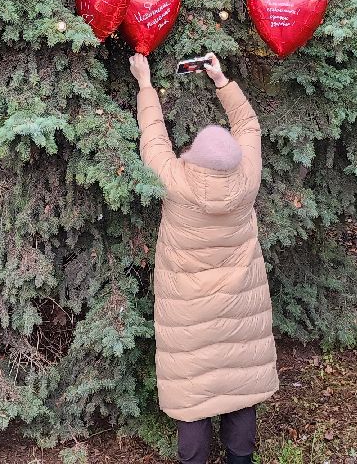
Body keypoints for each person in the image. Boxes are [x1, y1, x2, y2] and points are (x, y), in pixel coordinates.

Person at [129, 51, 278, 464]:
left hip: (188, 313)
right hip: (240, 308)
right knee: (240, 389)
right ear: (232, 158)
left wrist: (145, 83)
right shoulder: (247, 178)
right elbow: (249, 126)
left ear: (194, 154)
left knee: (191, 397)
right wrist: (222, 81)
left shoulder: (175, 179)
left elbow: (153, 136)